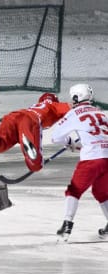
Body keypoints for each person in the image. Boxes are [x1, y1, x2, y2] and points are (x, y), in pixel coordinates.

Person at [51, 83, 108, 241]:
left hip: (91, 159)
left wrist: (69, 141)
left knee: (73, 191)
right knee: (101, 193)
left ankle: (67, 225)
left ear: (76, 97)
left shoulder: (74, 113)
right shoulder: (101, 113)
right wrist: (78, 144)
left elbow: (56, 137)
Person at [0, 93, 72, 172]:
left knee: (0, 144)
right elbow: (73, 107)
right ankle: (29, 147)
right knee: (36, 165)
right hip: (29, 121)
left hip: (13, 117)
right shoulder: (54, 105)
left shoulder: (36, 105)